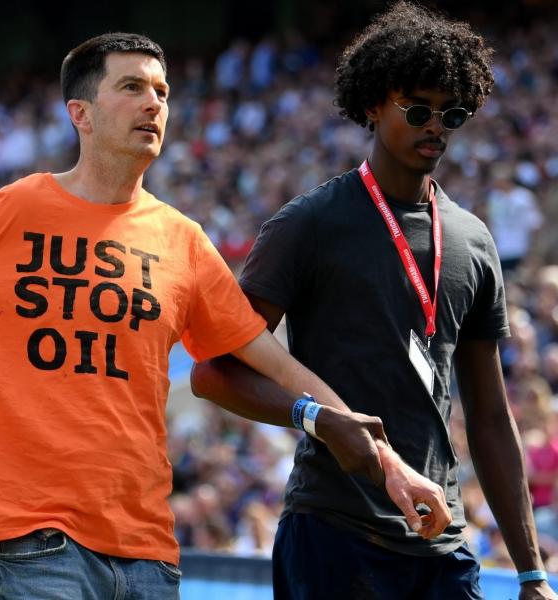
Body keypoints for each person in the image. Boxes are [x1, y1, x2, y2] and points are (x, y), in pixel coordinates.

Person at [0, 33, 449, 600]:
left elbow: (269, 360)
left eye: (161, 91)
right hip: (36, 541)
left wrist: (386, 461)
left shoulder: (182, 240)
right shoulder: (10, 212)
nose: (154, 104)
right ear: (81, 114)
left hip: (149, 548)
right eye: (134, 88)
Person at [191, 3, 557, 599]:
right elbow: (213, 372)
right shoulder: (308, 224)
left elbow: (491, 417)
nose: (435, 124)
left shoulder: (472, 239)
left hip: (441, 537)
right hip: (332, 535)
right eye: (416, 107)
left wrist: (532, 571)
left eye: (452, 113)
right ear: (372, 105)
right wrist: (317, 419)